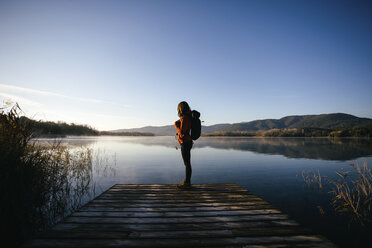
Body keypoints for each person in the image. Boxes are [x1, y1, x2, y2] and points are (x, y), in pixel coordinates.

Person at [174, 101, 193, 189]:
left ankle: (187, 183)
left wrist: (176, 126)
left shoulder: (185, 118)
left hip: (185, 142)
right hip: (188, 142)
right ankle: (187, 182)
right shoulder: (188, 117)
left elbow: (182, 133)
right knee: (187, 163)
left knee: (187, 163)